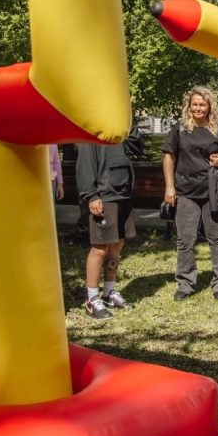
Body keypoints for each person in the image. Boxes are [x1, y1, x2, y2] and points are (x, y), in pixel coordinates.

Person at [162, 86, 218, 302]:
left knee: (217, 238)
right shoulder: (180, 129)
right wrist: (169, 187)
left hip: (213, 191)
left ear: (209, 106)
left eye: (202, 104)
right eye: (194, 104)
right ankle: (185, 283)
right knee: (185, 240)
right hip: (185, 191)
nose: (198, 108)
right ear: (189, 105)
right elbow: (168, 156)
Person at [76, 126, 145, 320]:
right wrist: (91, 195)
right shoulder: (93, 129)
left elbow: (136, 146)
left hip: (122, 194)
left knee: (117, 244)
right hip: (103, 195)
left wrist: (129, 124)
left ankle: (108, 293)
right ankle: (91, 299)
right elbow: (85, 164)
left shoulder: (120, 128)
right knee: (100, 247)